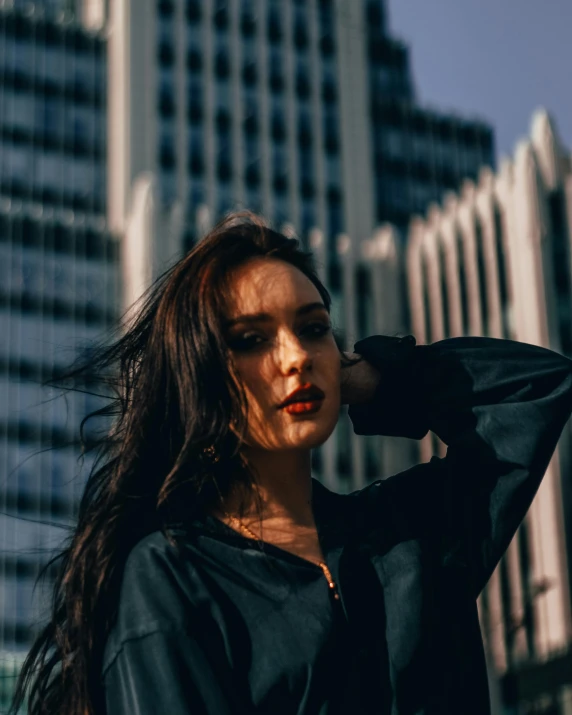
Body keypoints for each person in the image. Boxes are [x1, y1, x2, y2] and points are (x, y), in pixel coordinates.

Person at [11, 212, 572, 715]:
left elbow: (535, 389)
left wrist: (372, 378)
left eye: (313, 327)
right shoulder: (173, 578)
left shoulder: (408, 533)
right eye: (252, 339)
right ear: (202, 377)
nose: (297, 355)